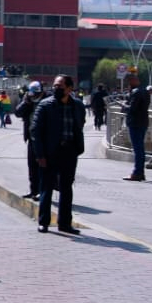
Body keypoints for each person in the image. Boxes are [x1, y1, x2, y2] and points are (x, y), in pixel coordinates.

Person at [31, 74, 86, 234]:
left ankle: (65, 223)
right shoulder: (45, 105)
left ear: (69, 89)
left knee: (66, 188)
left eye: (60, 86)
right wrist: (40, 155)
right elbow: (35, 131)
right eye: (55, 86)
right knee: (46, 188)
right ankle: (44, 222)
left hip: (69, 151)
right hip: (49, 153)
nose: (56, 89)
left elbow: (80, 125)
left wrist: (76, 148)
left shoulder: (77, 106)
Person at [14, 81, 46, 199]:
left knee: (42, 166)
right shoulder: (28, 100)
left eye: (36, 94)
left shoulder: (48, 100)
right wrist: (25, 102)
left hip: (44, 138)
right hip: (32, 138)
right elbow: (17, 112)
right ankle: (33, 190)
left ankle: (43, 191)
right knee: (32, 165)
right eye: (33, 94)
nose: (34, 97)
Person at [122, 73, 150, 182]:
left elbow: (132, 108)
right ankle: (140, 172)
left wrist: (124, 105)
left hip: (135, 122)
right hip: (143, 121)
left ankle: (137, 172)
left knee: (138, 149)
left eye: (128, 82)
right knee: (140, 148)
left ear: (132, 80)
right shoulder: (145, 91)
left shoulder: (136, 92)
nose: (128, 85)